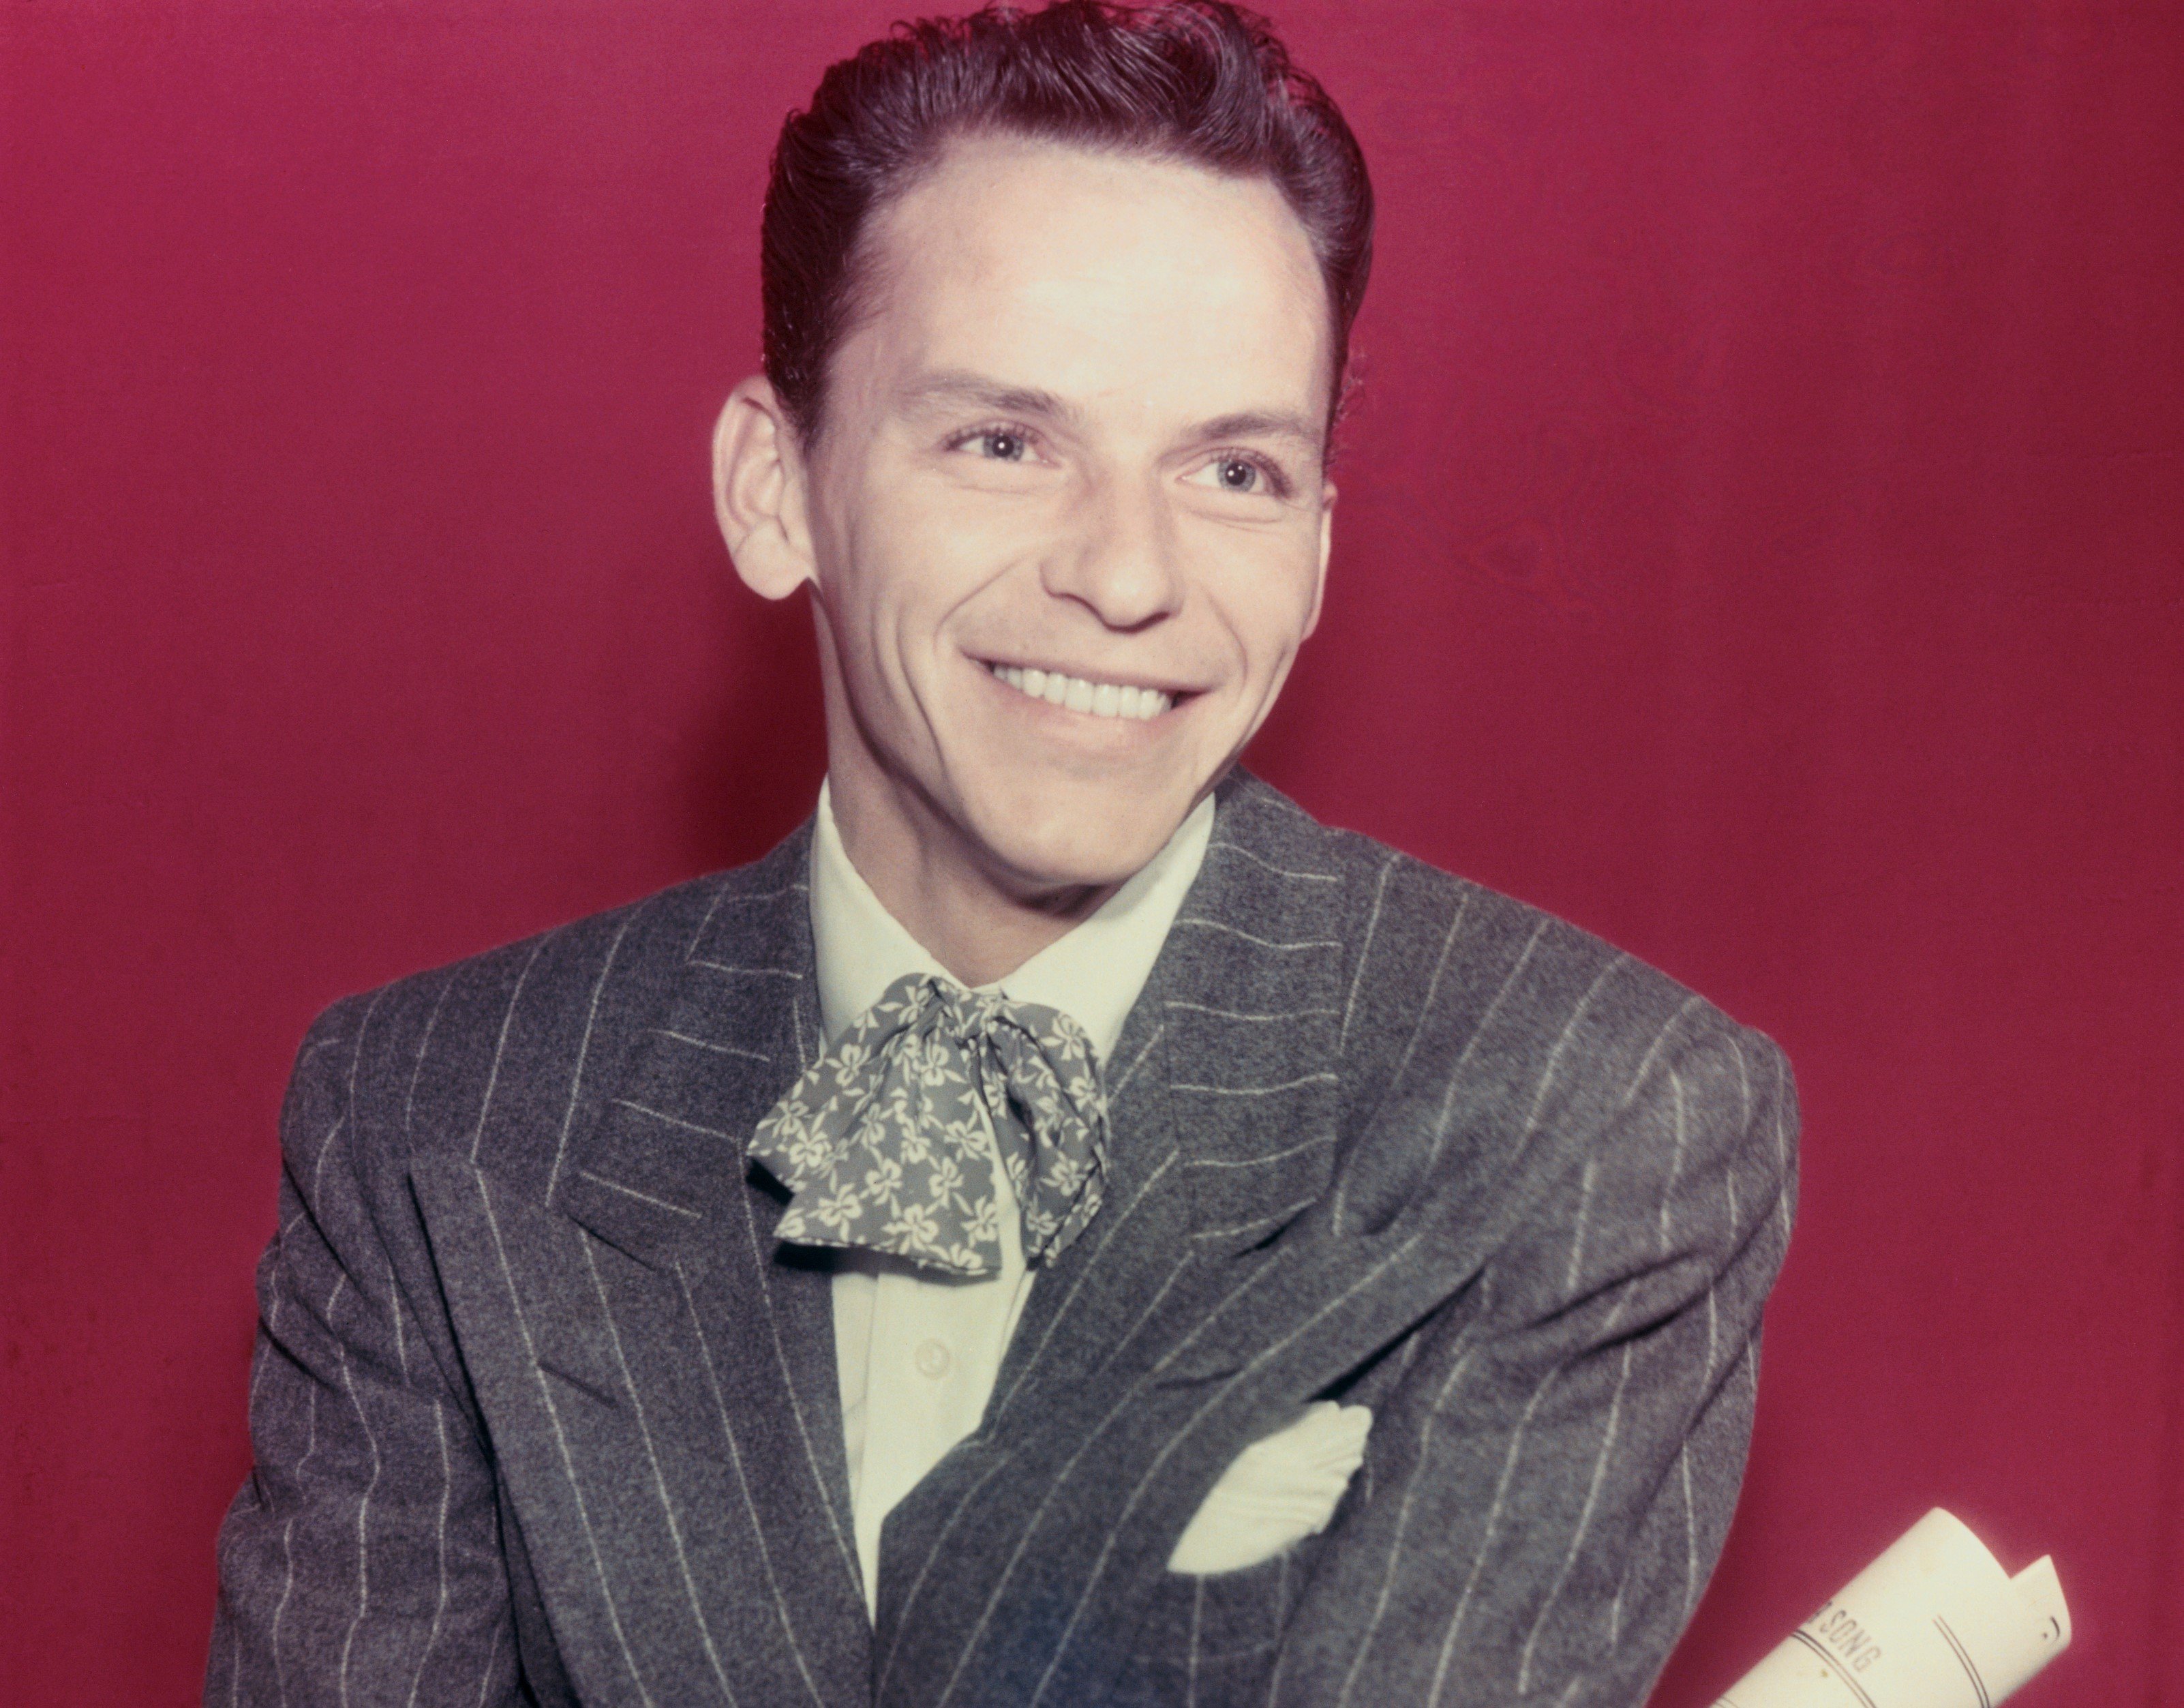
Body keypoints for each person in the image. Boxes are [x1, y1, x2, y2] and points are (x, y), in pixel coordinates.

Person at [207, 3, 1798, 1704]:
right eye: (1004, 442)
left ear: (1320, 549)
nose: (1129, 574)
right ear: (777, 488)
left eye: (1237, 467)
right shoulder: (428, 1120)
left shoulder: (1596, 1122)